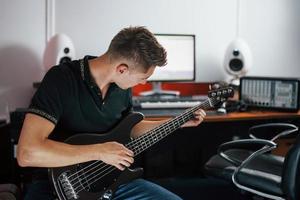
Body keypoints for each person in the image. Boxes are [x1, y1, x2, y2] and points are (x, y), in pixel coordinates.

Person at [17, 26, 206, 200]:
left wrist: (178, 121)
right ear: (122, 69)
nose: (142, 84)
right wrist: (99, 151)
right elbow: (27, 153)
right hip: (58, 185)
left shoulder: (121, 85)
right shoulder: (61, 79)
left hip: (111, 182)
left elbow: (130, 129)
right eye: (143, 78)